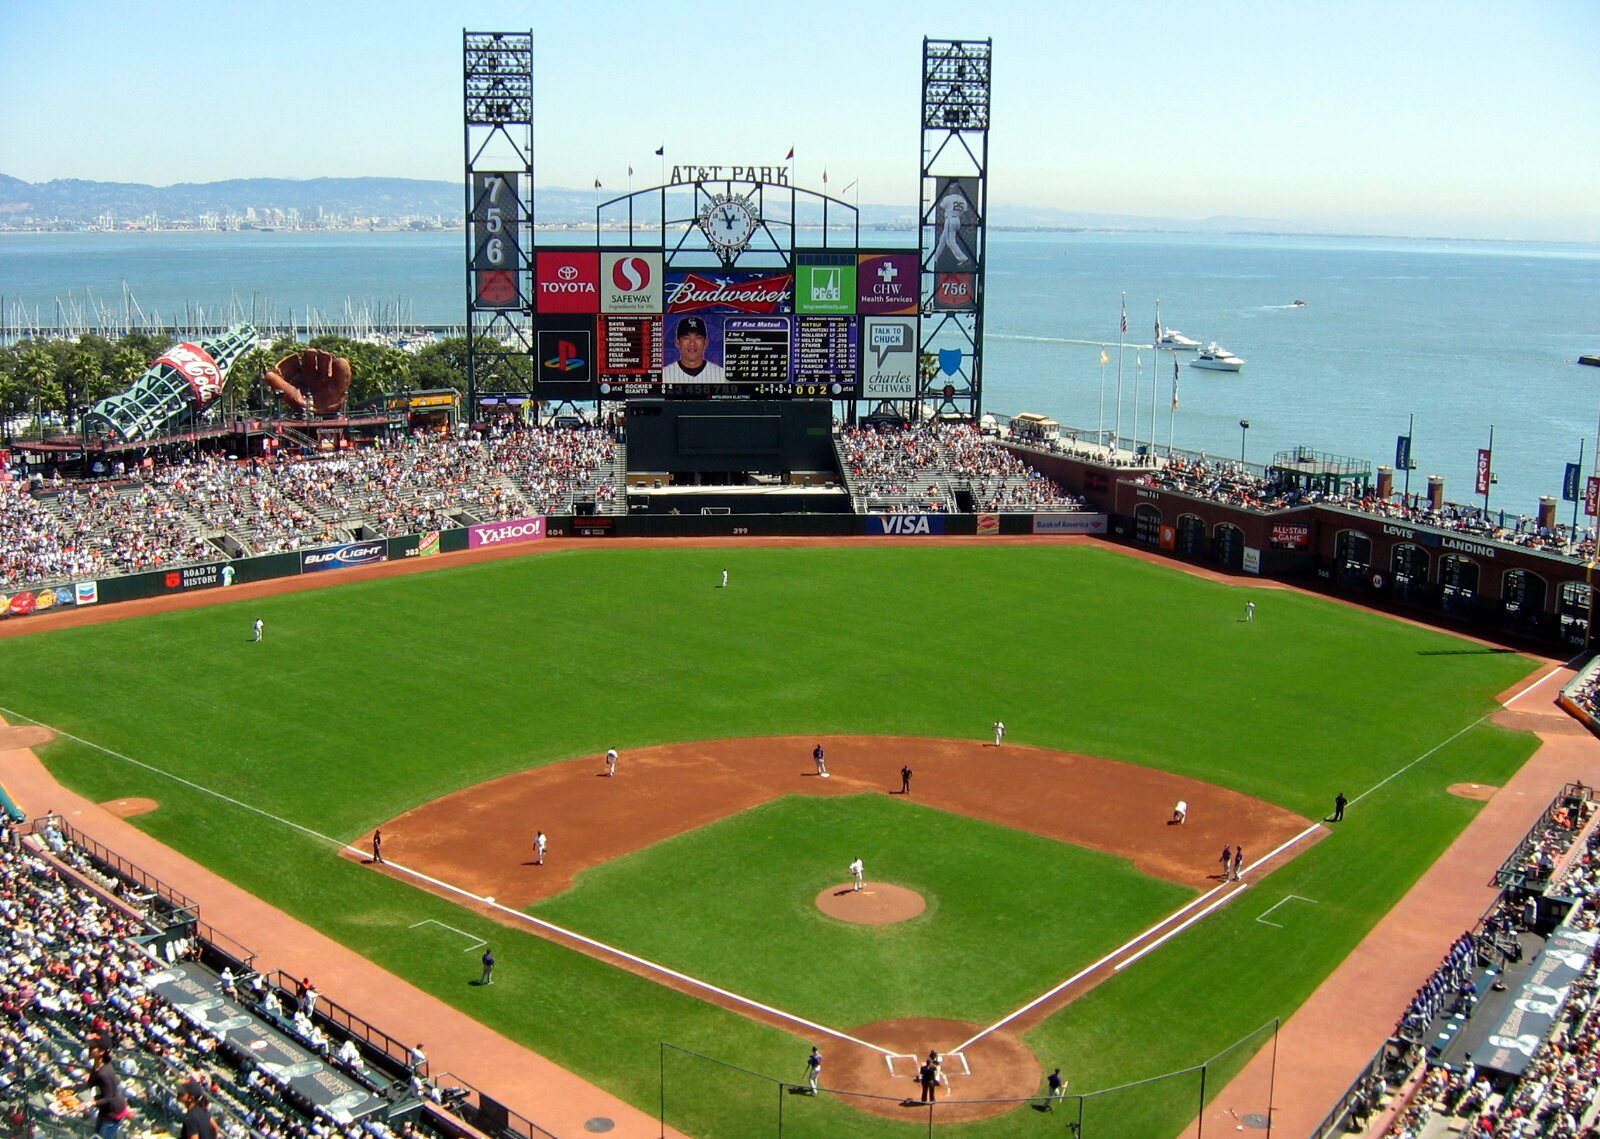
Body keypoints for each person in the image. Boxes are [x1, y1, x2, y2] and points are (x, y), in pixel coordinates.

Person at [84, 1040, 131, 1139]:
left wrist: (92, 1103)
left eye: (92, 1049)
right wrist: (93, 1097)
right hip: (104, 1110)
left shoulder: (104, 1073)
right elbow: (94, 1085)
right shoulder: (98, 1066)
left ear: (101, 1052)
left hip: (113, 1112)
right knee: (96, 1135)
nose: (89, 1050)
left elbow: (108, 1098)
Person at [661, 316, 726, 384]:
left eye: (698, 338)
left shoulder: (721, 376)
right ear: (677, 342)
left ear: (705, 342)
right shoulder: (664, 376)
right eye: (686, 338)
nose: (692, 343)